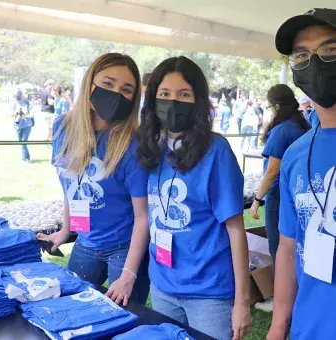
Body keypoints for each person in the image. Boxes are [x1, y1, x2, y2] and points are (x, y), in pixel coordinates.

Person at [136, 56, 251, 340]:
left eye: (183, 94)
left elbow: (235, 230)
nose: (172, 102)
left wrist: (242, 302)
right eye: (164, 94)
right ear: (152, 99)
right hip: (162, 285)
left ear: (197, 100)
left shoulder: (216, 151)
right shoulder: (153, 147)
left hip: (208, 294)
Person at [37, 53, 150, 306]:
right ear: (90, 83)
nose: (115, 93)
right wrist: (65, 231)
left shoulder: (132, 144)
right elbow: (70, 188)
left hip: (125, 246)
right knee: (76, 309)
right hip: (86, 242)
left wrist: (129, 274)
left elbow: (143, 216)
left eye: (126, 89)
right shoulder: (62, 128)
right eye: (108, 84)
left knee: (123, 317)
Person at [267, 8, 336, 340]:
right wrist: (279, 324)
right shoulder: (296, 153)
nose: (316, 63)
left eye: (330, 51)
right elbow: (287, 247)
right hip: (308, 327)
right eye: (302, 55)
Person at [250, 84, 310, 268]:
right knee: (297, 244)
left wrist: (257, 199)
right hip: (299, 192)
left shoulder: (281, 130)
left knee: (278, 247)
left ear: (275, 106)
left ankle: (281, 292)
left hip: (277, 195)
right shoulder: (304, 125)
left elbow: (272, 170)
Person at [13, 91, 33, 162]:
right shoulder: (15, 103)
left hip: (27, 125)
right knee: (20, 142)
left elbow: (32, 115)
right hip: (18, 125)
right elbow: (11, 113)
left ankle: (27, 158)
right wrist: (16, 113)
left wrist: (24, 116)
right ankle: (24, 157)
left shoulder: (28, 103)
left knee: (23, 141)